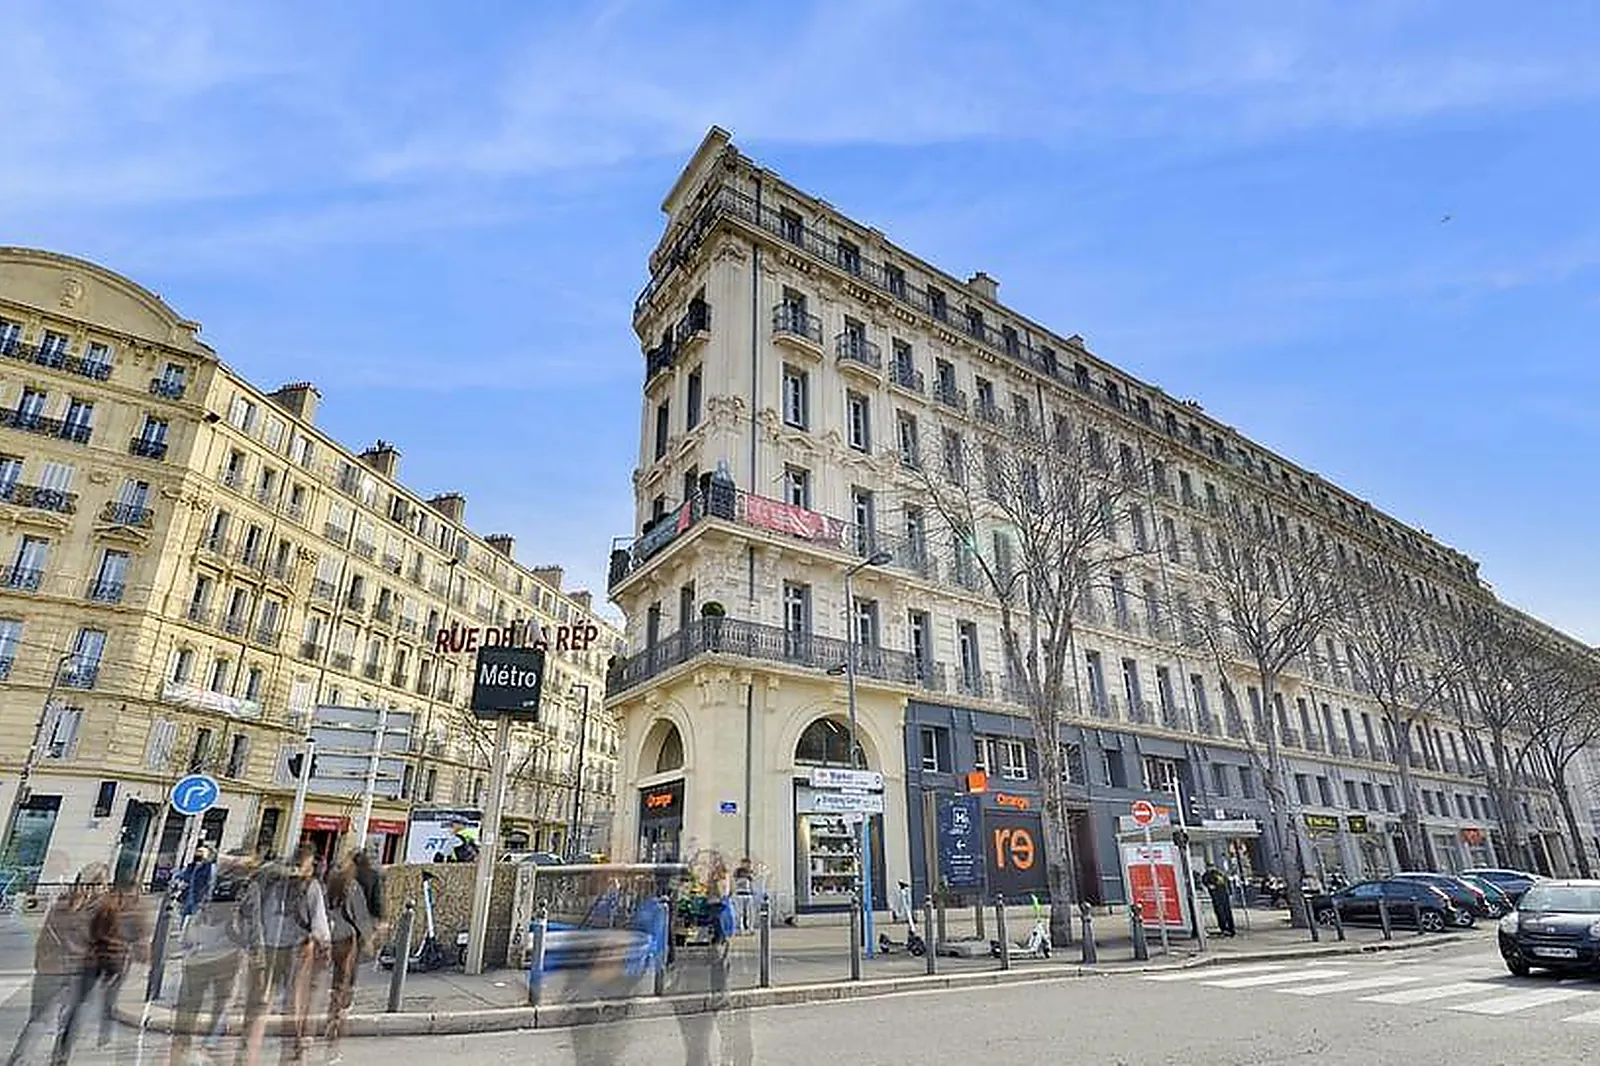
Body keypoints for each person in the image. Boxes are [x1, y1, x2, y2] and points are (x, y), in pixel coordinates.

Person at [239, 845, 330, 1066]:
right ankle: (290, 1058)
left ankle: (246, 1058)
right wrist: (324, 948)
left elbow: (246, 914)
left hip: (265, 949)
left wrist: (251, 946)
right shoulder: (310, 886)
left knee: (259, 1006)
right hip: (296, 951)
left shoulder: (267, 882)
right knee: (293, 1005)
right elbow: (320, 927)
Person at [6, 864, 103, 1066]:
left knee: (37, 1022)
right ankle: (59, 1062)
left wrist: (41, 964)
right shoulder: (101, 911)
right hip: (80, 974)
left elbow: (45, 937)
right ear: (101, 884)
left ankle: (17, 1062)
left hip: (49, 970)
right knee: (69, 1025)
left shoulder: (60, 903)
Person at [170, 852, 260, 1066]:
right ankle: (207, 1046)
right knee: (224, 1002)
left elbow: (195, 911)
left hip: (201, 951)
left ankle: (182, 1047)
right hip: (229, 953)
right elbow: (254, 923)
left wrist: (189, 944)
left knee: (192, 1003)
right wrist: (257, 953)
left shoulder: (212, 882)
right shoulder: (248, 887)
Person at [54, 873, 150, 1063]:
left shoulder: (104, 906)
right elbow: (140, 937)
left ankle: (64, 1050)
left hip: (94, 958)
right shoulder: (138, 909)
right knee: (110, 997)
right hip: (117, 961)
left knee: (81, 1004)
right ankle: (104, 1032)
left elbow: (89, 931)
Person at [322, 853, 375, 1063]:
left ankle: (331, 1013)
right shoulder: (352, 886)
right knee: (345, 980)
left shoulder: (329, 883)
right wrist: (368, 939)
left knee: (335, 978)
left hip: (330, 936)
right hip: (346, 938)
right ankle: (336, 1024)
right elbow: (359, 915)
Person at [179, 845, 217, 931]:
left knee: (195, 924)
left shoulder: (210, 868)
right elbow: (183, 876)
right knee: (184, 921)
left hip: (198, 900)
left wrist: (206, 899)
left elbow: (211, 884)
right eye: (198, 852)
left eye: (201, 853)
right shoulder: (193, 866)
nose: (198, 854)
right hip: (188, 898)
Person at [1202, 864, 1236, 937]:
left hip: (1223, 895)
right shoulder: (1207, 875)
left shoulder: (1219, 873)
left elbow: (1226, 882)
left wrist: (1229, 892)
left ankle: (1230, 928)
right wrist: (1209, 886)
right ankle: (1225, 928)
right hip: (1217, 896)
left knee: (1227, 912)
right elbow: (1206, 883)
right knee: (1220, 912)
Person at [732, 859, 754, 935]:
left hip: (748, 894)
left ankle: (749, 928)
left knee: (749, 913)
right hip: (739, 894)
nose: (747, 865)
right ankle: (739, 929)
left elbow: (752, 879)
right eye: (745, 864)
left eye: (748, 864)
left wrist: (749, 875)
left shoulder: (750, 872)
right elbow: (735, 879)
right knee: (739, 913)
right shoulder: (738, 871)